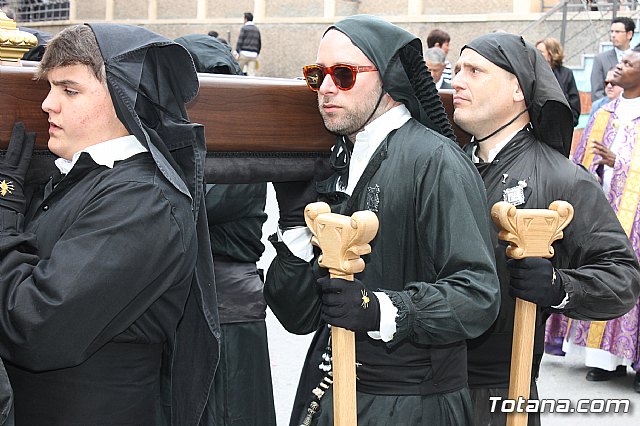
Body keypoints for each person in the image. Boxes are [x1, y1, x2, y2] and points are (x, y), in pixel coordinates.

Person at [265, 14, 500, 425]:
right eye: (316, 74)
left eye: (343, 74)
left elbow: (478, 295)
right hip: (328, 392)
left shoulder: (436, 161)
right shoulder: (335, 162)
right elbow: (297, 316)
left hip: (411, 405)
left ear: (389, 80)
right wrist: (294, 227)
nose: (325, 88)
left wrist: (383, 310)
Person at [0, 23, 220, 425]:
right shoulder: (86, 178)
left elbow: (34, 328)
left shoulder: (143, 202)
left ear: (125, 98)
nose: (48, 104)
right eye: (48, 88)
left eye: (69, 90)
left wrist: (5, 214)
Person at [451, 32, 640, 426]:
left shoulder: (563, 179)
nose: (457, 80)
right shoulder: (442, 166)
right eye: (456, 70)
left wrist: (558, 286)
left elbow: (622, 277)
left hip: (500, 393)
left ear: (518, 88)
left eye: (474, 70)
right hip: (424, 387)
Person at [175, 33, 277, 426]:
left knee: (232, 412)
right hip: (189, 310)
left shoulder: (238, 147)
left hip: (229, 313)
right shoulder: (190, 146)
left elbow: (184, 207)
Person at [554, 46, 640, 393]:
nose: (618, 67)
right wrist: (600, 166)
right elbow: (579, 162)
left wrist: (620, 162)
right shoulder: (604, 113)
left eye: (628, 63)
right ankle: (602, 360)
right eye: (620, 61)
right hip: (605, 214)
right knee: (602, 272)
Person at [536, 37, 581, 127]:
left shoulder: (566, 74)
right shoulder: (533, 73)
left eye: (541, 52)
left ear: (551, 53)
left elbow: (574, 103)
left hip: (560, 128)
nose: (536, 54)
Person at [591, 16, 635, 102]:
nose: (613, 35)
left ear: (629, 34)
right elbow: (597, 92)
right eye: (611, 32)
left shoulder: (637, 59)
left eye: (617, 32)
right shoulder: (600, 59)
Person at [235, 11, 261, 76]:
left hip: (244, 53)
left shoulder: (244, 28)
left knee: (239, 71)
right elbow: (259, 42)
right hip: (254, 54)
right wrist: (257, 53)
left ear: (246, 19)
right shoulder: (256, 29)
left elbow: (240, 40)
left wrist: (237, 51)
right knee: (251, 73)